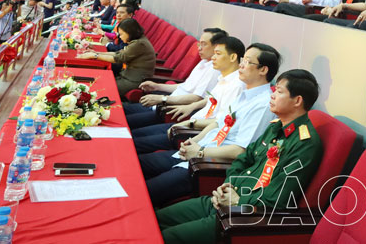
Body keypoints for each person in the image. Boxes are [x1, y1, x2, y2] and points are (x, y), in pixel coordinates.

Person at [155, 69, 322, 244]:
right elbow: (244, 158)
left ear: (297, 101)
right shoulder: (276, 126)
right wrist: (228, 186)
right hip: (223, 200)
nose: (272, 95)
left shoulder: (305, 144)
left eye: (279, 91)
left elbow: (279, 197)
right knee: (155, 219)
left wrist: (238, 200)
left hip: (244, 216)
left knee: (165, 238)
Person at [140, 39, 278, 207]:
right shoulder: (245, 94)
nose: (241, 65)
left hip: (208, 164)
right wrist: (194, 141)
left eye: (248, 62)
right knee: (139, 164)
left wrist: (200, 152)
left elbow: (240, 150)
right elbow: (218, 124)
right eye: (243, 60)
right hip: (198, 151)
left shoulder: (262, 105)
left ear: (263, 70)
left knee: (144, 191)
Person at [123, 28, 227, 129]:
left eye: (204, 44)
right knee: (122, 110)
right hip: (165, 102)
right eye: (199, 44)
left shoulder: (214, 70)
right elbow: (185, 86)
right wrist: (157, 86)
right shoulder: (204, 61)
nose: (199, 48)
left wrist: (162, 99)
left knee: (125, 121)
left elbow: (197, 98)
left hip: (170, 110)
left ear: (216, 47)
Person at [77, 19, 157, 98]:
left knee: (102, 88)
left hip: (134, 81)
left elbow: (117, 58)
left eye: (121, 34)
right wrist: (96, 53)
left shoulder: (139, 44)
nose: (120, 37)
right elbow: (118, 53)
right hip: (126, 76)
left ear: (129, 32)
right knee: (99, 82)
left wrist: (95, 56)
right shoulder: (137, 41)